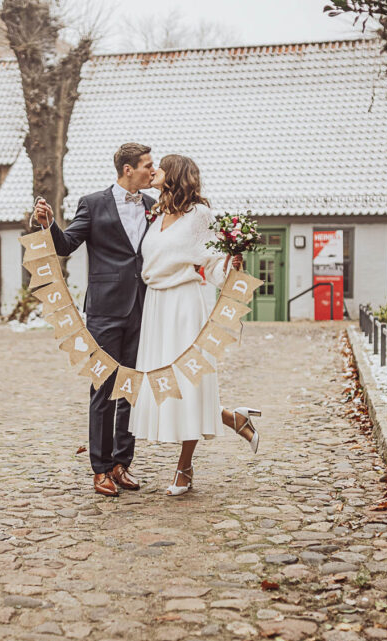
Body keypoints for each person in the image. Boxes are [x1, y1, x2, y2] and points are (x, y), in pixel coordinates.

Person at [126, 154, 261, 496]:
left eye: (160, 165)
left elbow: (213, 265)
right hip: (157, 306)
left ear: (175, 174)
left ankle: (184, 468)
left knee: (186, 382)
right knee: (165, 386)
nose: (153, 169)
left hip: (185, 303)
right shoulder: (156, 215)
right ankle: (233, 418)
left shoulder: (199, 215)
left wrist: (232, 261)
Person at [33, 143, 157, 497]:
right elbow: (67, 244)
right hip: (104, 310)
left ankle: (122, 463)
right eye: (147, 166)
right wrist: (50, 224)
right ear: (127, 169)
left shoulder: (153, 207)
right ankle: (100, 468)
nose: (152, 170)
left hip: (143, 307)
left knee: (130, 388)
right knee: (104, 388)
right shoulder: (93, 202)